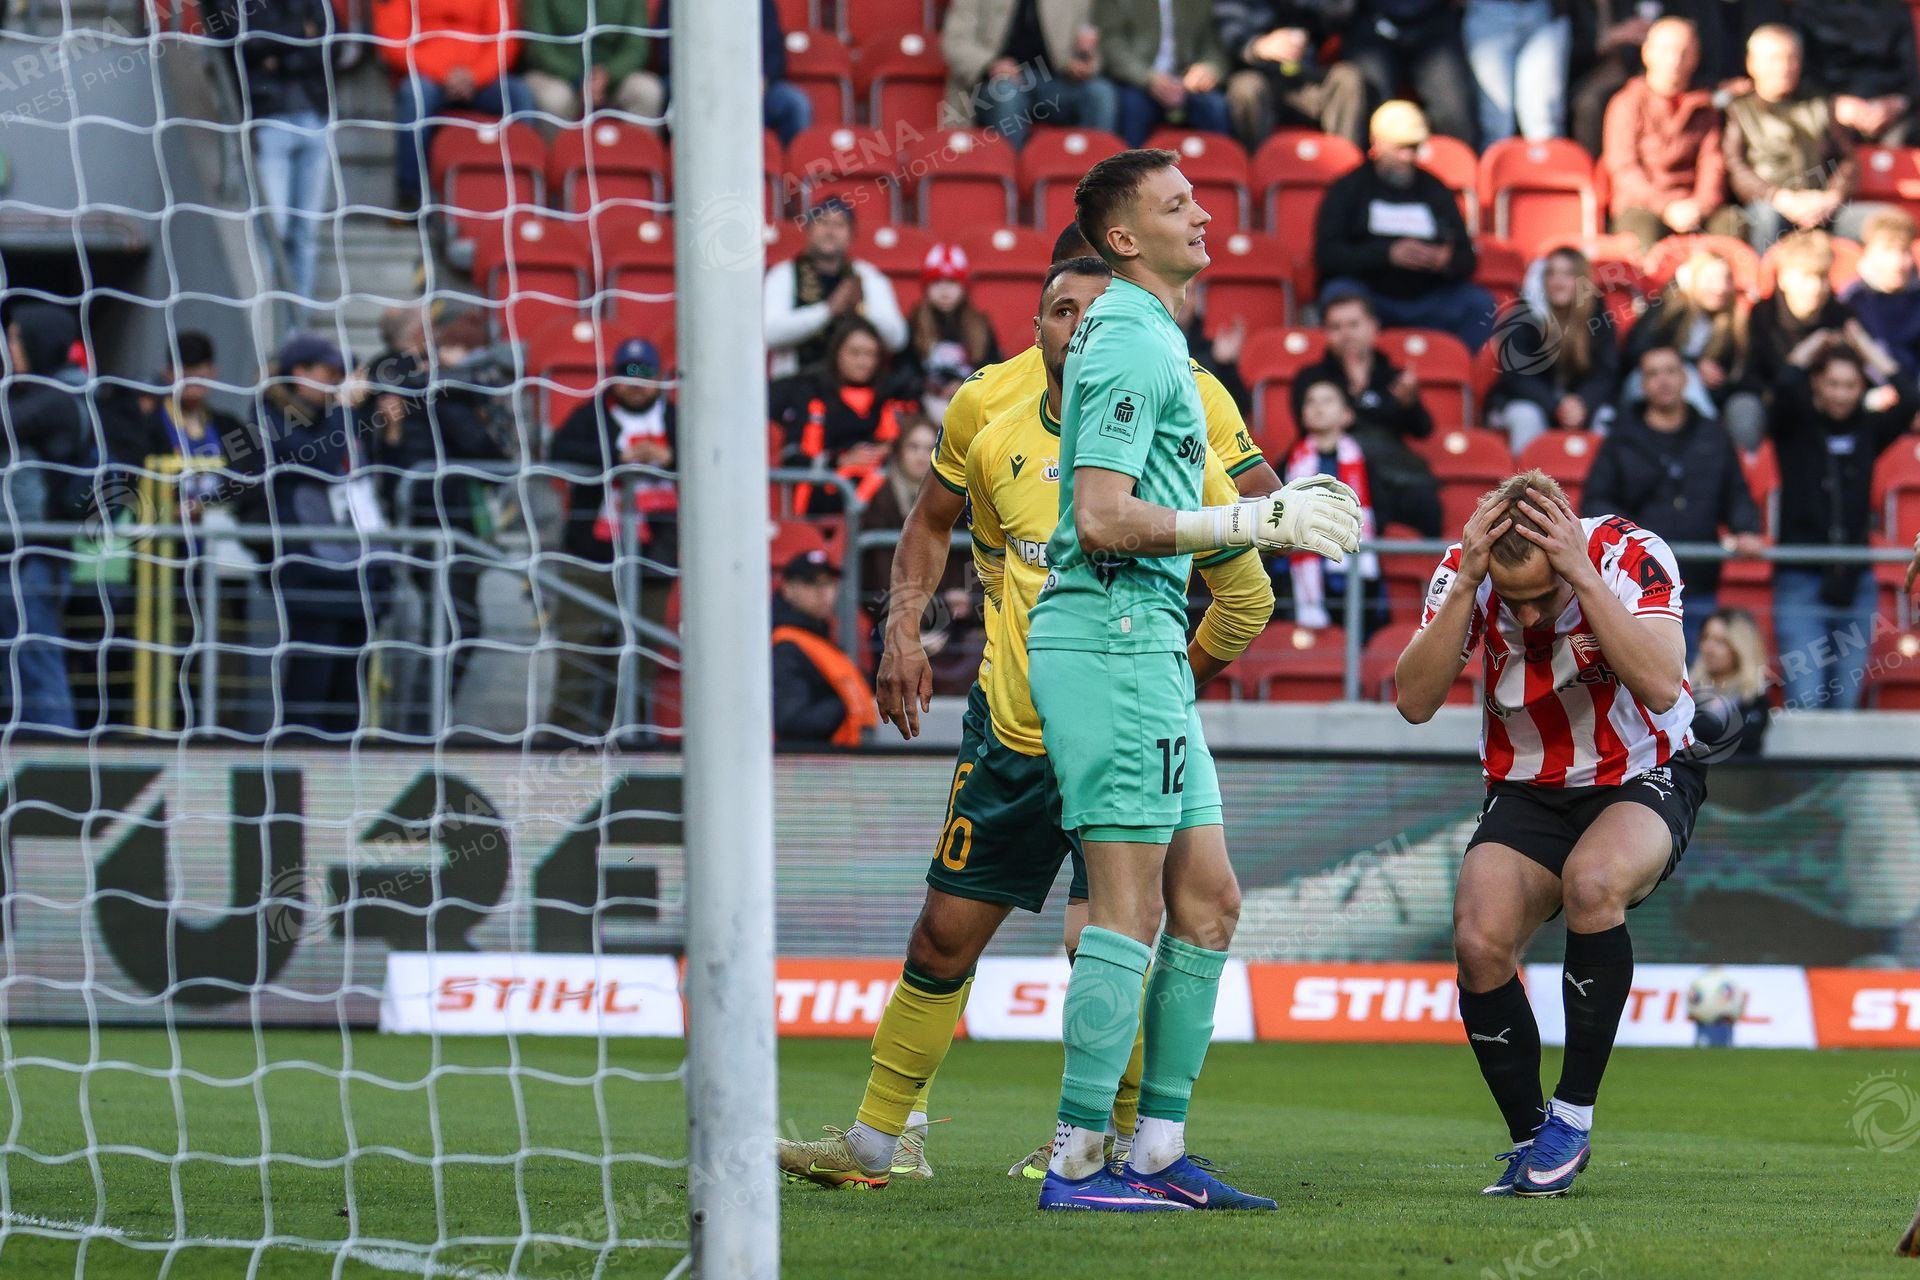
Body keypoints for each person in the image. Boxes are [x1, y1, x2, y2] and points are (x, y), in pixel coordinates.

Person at [775, 251, 1294, 1197]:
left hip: (1122, 719)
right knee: (943, 936)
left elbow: (1259, 537)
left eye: (1098, 312)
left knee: (1116, 933)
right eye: (1061, 311)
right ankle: (881, 1142)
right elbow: (933, 521)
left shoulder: (1183, 392)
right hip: (1015, 729)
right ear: (1037, 323)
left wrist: (1165, 683)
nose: (1080, 328)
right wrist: (903, 630)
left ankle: (1110, 1148)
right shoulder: (988, 409)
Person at [1026, 148, 1356, 1212]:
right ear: (1125, 238)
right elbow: (1100, 517)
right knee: (1125, 914)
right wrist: (1254, 518)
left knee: (1208, 902)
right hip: (1113, 632)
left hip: (1150, 642)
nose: (1204, 216)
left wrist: (1263, 508)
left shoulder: (1151, 332)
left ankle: (1158, 1149)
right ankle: (1078, 1160)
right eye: (1177, 205)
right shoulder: (1128, 336)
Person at [1396, 470, 1704, 1199]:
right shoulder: (1467, 570)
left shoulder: (1629, 554)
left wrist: (1583, 582)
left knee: (1592, 884)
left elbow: (1663, 684)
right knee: (1479, 942)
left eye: (1544, 594)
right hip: (1527, 788)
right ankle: (1531, 1138)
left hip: (1642, 770)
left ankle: (1572, 1116)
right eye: (1517, 600)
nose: (1531, 614)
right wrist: (1468, 583)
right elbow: (1414, 701)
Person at [1767, 328, 1918, 710]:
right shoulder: (1794, 426)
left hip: (1856, 582)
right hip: (1800, 579)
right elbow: (1783, 387)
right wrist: (1814, 343)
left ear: (1861, 388)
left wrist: (1865, 346)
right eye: (1832, 384)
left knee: (1845, 706)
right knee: (1805, 700)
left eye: (1850, 385)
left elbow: (1910, 397)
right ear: (1817, 384)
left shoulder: (1868, 429)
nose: (1840, 394)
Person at [1582, 344, 1764, 656]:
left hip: (1699, 582)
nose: (1663, 381)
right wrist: (1631, 541)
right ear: (1642, 384)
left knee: (1697, 672)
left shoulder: (1713, 435)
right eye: (1653, 374)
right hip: (1639, 586)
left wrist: (1746, 527)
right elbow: (1597, 502)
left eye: (1670, 371)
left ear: (1685, 378)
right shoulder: (1621, 439)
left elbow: (1735, 492)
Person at [258, 333, 392, 734]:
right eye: (330, 372)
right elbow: (319, 460)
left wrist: (387, 427)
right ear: (299, 372)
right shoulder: (271, 418)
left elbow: (371, 477)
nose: (337, 382)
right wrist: (344, 410)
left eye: (342, 375)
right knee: (310, 690)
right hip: (314, 574)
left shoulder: (339, 416)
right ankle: (299, 770)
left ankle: (342, 771)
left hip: (357, 571)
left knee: (347, 697)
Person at [545, 336, 676, 739]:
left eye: (644, 374)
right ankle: (565, 743)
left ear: (658, 378)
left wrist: (671, 458)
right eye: (628, 374)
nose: (635, 383)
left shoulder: (678, 420)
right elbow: (559, 450)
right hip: (591, 557)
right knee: (577, 655)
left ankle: (630, 743)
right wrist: (618, 460)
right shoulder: (592, 415)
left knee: (640, 660)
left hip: (655, 559)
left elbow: (713, 459)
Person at [1314, 100, 1497, 352]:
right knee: (1341, 298)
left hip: (1429, 297)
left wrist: (1445, 260)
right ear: (1377, 143)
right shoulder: (1349, 189)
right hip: (1371, 295)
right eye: (1400, 148)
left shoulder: (1434, 189)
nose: (1407, 157)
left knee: (1480, 305)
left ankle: (1460, 372)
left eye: (1414, 148)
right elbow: (1328, 255)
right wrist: (1387, 254)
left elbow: (1466, 256)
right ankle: (1354, 372)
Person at [0, 302, 88, 731]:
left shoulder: (57, 398)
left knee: (37, 664)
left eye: (16, 339)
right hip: (26, 554)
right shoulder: (51, 393)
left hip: (36, 556)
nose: (10, 348)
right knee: (20, 668)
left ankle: (57, 756)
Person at [1293, 287, 1442, 535]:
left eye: (1353, 324)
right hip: (1336, 474)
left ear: (1373, 326)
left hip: (1392, 477)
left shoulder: (1391, 376)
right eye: (1336, 327)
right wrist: (1357, 393)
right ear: (1325, 332)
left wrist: (1409, 403)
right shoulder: (1312, 377)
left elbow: (1423, 429)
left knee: (1425, 501)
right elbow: (1307, 424)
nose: (1346, 334)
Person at [1722, 24, 1882, 251]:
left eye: (1791, 58)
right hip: (1771, 207)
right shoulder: (1738, 110)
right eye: (1774, 59)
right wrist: (1779, 197)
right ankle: (1765, 274)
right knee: (1766, 218)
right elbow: (1735, 167)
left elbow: (1847, 161)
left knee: (1882, 220)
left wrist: (1832, 197)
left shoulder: (1820, 104)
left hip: (1822, 208)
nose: (1784, 67)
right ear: (1752, 63)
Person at [374, 0, 535, 213]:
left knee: (518, 95)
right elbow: (392, 40)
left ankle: (524, 193)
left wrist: (475, 76)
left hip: (480, 79)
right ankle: (410, 197)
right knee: (415, 95)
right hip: (426, 77)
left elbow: (505, 39)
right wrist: (443, 74)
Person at [1601, 17, 1742, 253]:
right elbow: (1623, 168)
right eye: (1666, 51)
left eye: (1683, 52)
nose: (1675, 60)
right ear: (1647, 53)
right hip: (1642, 206)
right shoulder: (1626, 103)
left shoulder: (1704, 105)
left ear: (1695, 58)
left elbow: (1713, 162)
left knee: (1732, 225)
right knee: (1643, 237)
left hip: (1693, 206)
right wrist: (1665, 207)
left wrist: (1701, 205)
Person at [237, 0, 335, 299]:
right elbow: (250, 42)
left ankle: (297, 319)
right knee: (273, 227)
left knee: (306, 232)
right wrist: (301, 34)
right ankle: (269, 316)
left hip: (315, 117)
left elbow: (333, 43)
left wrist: (281, 57)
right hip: (269, 119)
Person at [770, 317, 916, 513]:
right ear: (837, 353)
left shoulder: (892, 396)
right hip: (822, 496)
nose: (863, 362)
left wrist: (888, 451)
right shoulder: (811, 394)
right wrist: (841, 461)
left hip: (881, 498)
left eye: (871, 354)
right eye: (855, 353)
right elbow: (792, 456)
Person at [1623, 248, 1763, 450]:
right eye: (1711, 280)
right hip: (1658, 392)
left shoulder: (1737, 323)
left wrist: (1718, 382)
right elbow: (1636, 351)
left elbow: (1744, 376)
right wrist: (1692, 365)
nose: (1720, 287)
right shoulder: (1667, 309)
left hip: (1714, 401)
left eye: (1725, 279)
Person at [1489, 248, 1622, 453]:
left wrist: (1583, 403)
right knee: (1526, 416)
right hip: (1534, 402)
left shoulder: (1598, 317)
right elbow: (1516, 377)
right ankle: (1528, 475)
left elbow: (1606, 373)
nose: (1557, 282)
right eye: (1551, 274)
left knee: (1607, 417)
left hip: (1582, 406)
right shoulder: (1524, 315)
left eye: (1567, 274)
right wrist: (1555, 405)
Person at [1282, 371, 1386, 634]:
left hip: (1353, 573)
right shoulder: (1288, 462)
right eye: (1311, 401)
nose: (1318, 407)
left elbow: (1380, 510)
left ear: (1347, 414)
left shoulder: (1366, 460)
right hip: (1302, 564)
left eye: (1328, 400)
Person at [939, 0, 1120, 150]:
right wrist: (992, 65)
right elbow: (955, 43)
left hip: (1056, 83)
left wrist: (1084, 63)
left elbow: (1089, 45)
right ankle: (1012, 174)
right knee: (1007, 93)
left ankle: (1097, 177)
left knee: (1100, 92)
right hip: (997, 83)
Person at [764, 198, 909, 380]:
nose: (830, 231)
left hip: (855, 386)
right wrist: (828, 311)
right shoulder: (784, 274)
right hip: (796, 383)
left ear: (851, 235)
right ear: (809, 230)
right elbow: (770, 333)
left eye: (840, 225)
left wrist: (864, 309)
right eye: (823, 223)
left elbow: (897, 340)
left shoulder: (867, 276)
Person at [656, 0, 813, 146]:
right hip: (694, 84)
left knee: (794, 103)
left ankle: (788, 164)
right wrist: (705, 79)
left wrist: (761, 79)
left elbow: (774, 54)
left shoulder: (760, 3)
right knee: (667, 90)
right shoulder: (678, 3)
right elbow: (666, 51)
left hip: (751, 87)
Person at [1213, 0, 1368, 147]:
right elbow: (1228, 28)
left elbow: (1338, 14)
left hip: (1306, 80)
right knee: (1246, 87)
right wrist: (1257, 46)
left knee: (1347, 78)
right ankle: (1253, 163)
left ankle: (1344, 162)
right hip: (1259, 77)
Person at [1092, 0, 1232, 147]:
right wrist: (1148, 78)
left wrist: (1209, 69)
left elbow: (1213, 46)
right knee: (1132, 107)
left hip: (1187, 83)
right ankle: (1130, 162)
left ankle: (1219, 160)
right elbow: (1111, 44)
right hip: (1136, 82)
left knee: (1216, 107)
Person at [1339, 0, 1476, 145]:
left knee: (1456, 117)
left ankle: (1445, 160)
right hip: (1370, 23)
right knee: (1368, 109)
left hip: (1435, 23)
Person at [1791, 0, 1917, 146]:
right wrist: (1833, 105)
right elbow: (1799, 75)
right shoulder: (1806, 13)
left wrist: (1898, 103)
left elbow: (1911, 74)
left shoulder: (1895, 11)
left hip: (1890, 111)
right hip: (1831, 109)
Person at [519, 0, 660, 124]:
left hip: (613, 78)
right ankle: (555, 147)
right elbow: (540, 50)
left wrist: (607, 75)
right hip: (556, 75)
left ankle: (637, 147)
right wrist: (580, 79)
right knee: (555, 98)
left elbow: (636, 48)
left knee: (646, 90)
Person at [1748, 229, 1855, 393]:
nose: (1816, 288)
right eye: (1806, 276)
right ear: (1782, 278)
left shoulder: (1841, 314)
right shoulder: (1761, 315)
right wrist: (1804, 354)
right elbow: (1756, 381)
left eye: (1822, 276)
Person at [1463, 0, 1571, 145]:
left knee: (1544, 120)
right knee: (1497, 122)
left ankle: (1548, 160)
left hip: (1542, 11)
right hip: (1489, 12)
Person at [903, 244, 1001, 394]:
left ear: (964, 287)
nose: (945, 291)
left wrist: (963, 385)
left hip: (969, 399)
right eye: (937, 283)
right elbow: (905, 371)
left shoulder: (980, 325)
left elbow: (993, 370)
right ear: (926, 288)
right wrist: (927, 387)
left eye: (952, 282)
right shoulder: (914, 324)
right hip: (926, 401)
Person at [1842, 209, 1920, 381]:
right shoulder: (1851, 301)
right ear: (1867, 251)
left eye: (1904, 251)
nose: (1897, 263)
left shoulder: (1917, 297)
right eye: (1887, 251)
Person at [1689, 607, 1771, 756]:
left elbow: (1743, 742)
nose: (1708, 648)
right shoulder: (1686, 690)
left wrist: (1695, 723)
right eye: (1705, 638)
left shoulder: (1754, 697)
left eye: (1720, 642)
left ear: (1740, 648)